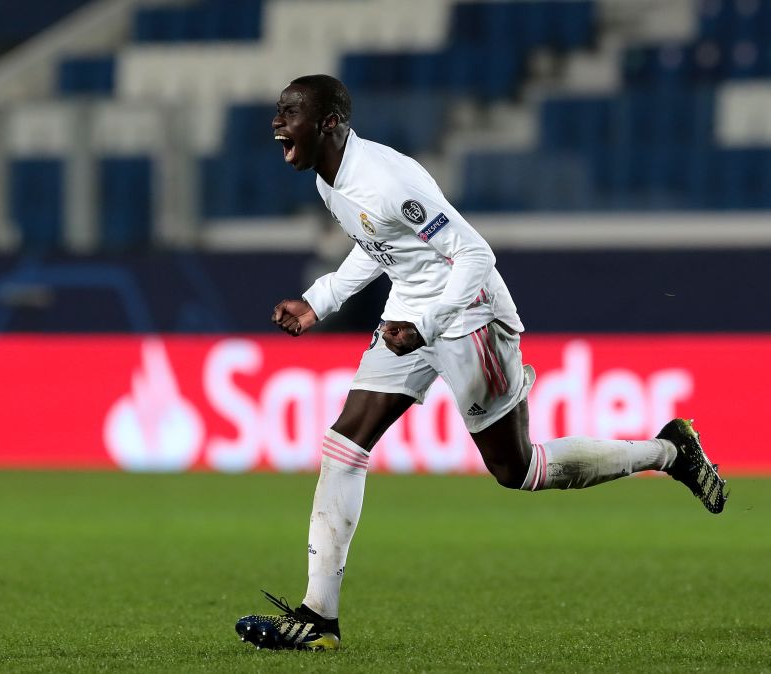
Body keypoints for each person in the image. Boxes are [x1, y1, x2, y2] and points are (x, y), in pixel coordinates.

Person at [235, 74, 727, 652]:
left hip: (469, 316)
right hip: (412, 312)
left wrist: (425, 324)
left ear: (328, 123)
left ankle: (669, 451)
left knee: (519, 469)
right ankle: (319, 619)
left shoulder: (387, 179)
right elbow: (379, 248)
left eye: (289, 111)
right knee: (345, 443)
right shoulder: (330, 181)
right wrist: (320, 301)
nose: (276, 122)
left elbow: (473, 252)